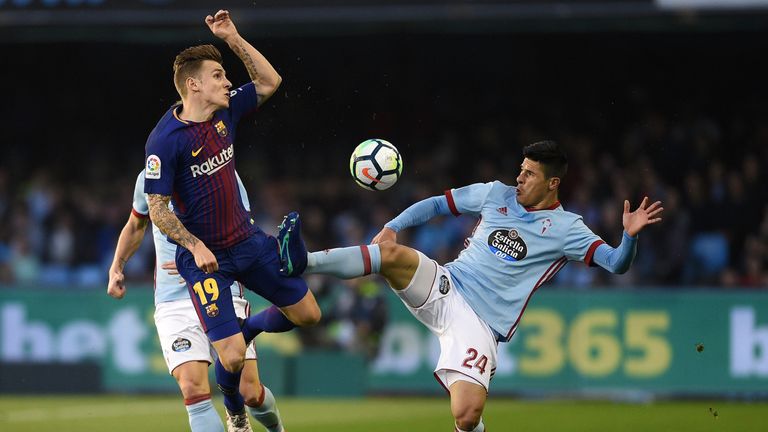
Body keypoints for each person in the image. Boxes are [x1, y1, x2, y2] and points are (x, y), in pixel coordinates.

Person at [278, 140, 663, 431]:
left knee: (466, 415)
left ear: (552, 183)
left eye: (529, 174)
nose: (520, 178)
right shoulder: (496, 194)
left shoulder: (568, 229)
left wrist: (629, 236)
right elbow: (436, 204)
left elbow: (616, 264)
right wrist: (393, 226)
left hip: (480, 323)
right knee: (392, 256)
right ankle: (303, 262)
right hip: (447, 285)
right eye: (521, 169)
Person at [143, 8, 319, 430]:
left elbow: (269, 82)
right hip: (205, 260)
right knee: (232, 357)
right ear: (194, 85)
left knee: (310, 315)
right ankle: (234, 409)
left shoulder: (225, 112)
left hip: (249, 244)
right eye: (219, 75)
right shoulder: (164, 141)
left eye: (225, 75)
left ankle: (248, 328)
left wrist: (232, 37)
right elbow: (157, 209)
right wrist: (194, 245)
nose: (227, 82)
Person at [108, 170, 286, 432]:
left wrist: (193, 262)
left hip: (220, 287)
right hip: (174, 302)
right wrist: (117, 266)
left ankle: (274, 428)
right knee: (193, 387)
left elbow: (244, 233)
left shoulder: (223, 171)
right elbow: (136, 225)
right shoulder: (149, 177)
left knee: (249, 391)